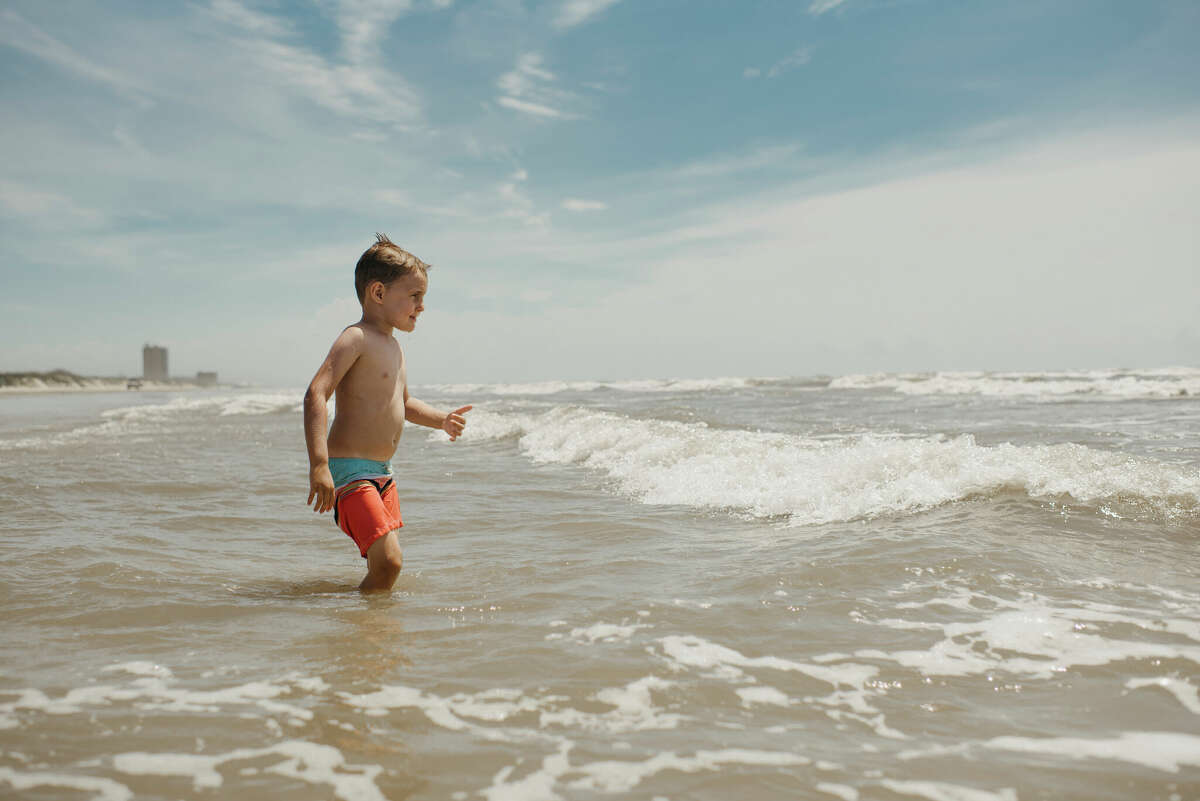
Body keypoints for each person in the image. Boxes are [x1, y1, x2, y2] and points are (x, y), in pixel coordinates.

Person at [303, 233, 471, 592]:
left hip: (384, 476)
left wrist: (440, 420)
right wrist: (319, 463)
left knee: (385, 568)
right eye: (414, 296)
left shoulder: (394, 348)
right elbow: (317, 393)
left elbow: (404, 404)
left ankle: (370, 629)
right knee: (391, 563)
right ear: (378, 293)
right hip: (349, 471)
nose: (421, 306)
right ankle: (362, 634)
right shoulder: (356, 338)